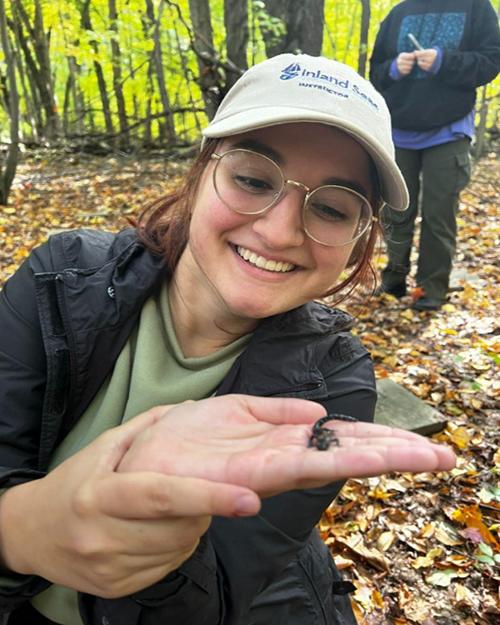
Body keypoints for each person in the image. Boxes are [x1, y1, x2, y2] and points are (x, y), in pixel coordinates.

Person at [0, 53, 456, 625]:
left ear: (359, 242)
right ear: (200, 173)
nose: (279, 230)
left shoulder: (331, 383)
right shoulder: (57, 281)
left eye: (335, 209)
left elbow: (212, 602)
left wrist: (167, 540)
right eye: (251, 179)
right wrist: (22, 529)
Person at [370, 0, 500, 311]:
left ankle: (430, 290)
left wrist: (444, 61)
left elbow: (491, 61)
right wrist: (392, 68)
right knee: (397, 210)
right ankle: (394, 279)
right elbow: (376, 70)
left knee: (438, 214)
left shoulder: (476, 8)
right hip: (399, 128)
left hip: (449, 129)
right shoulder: (399, 12)